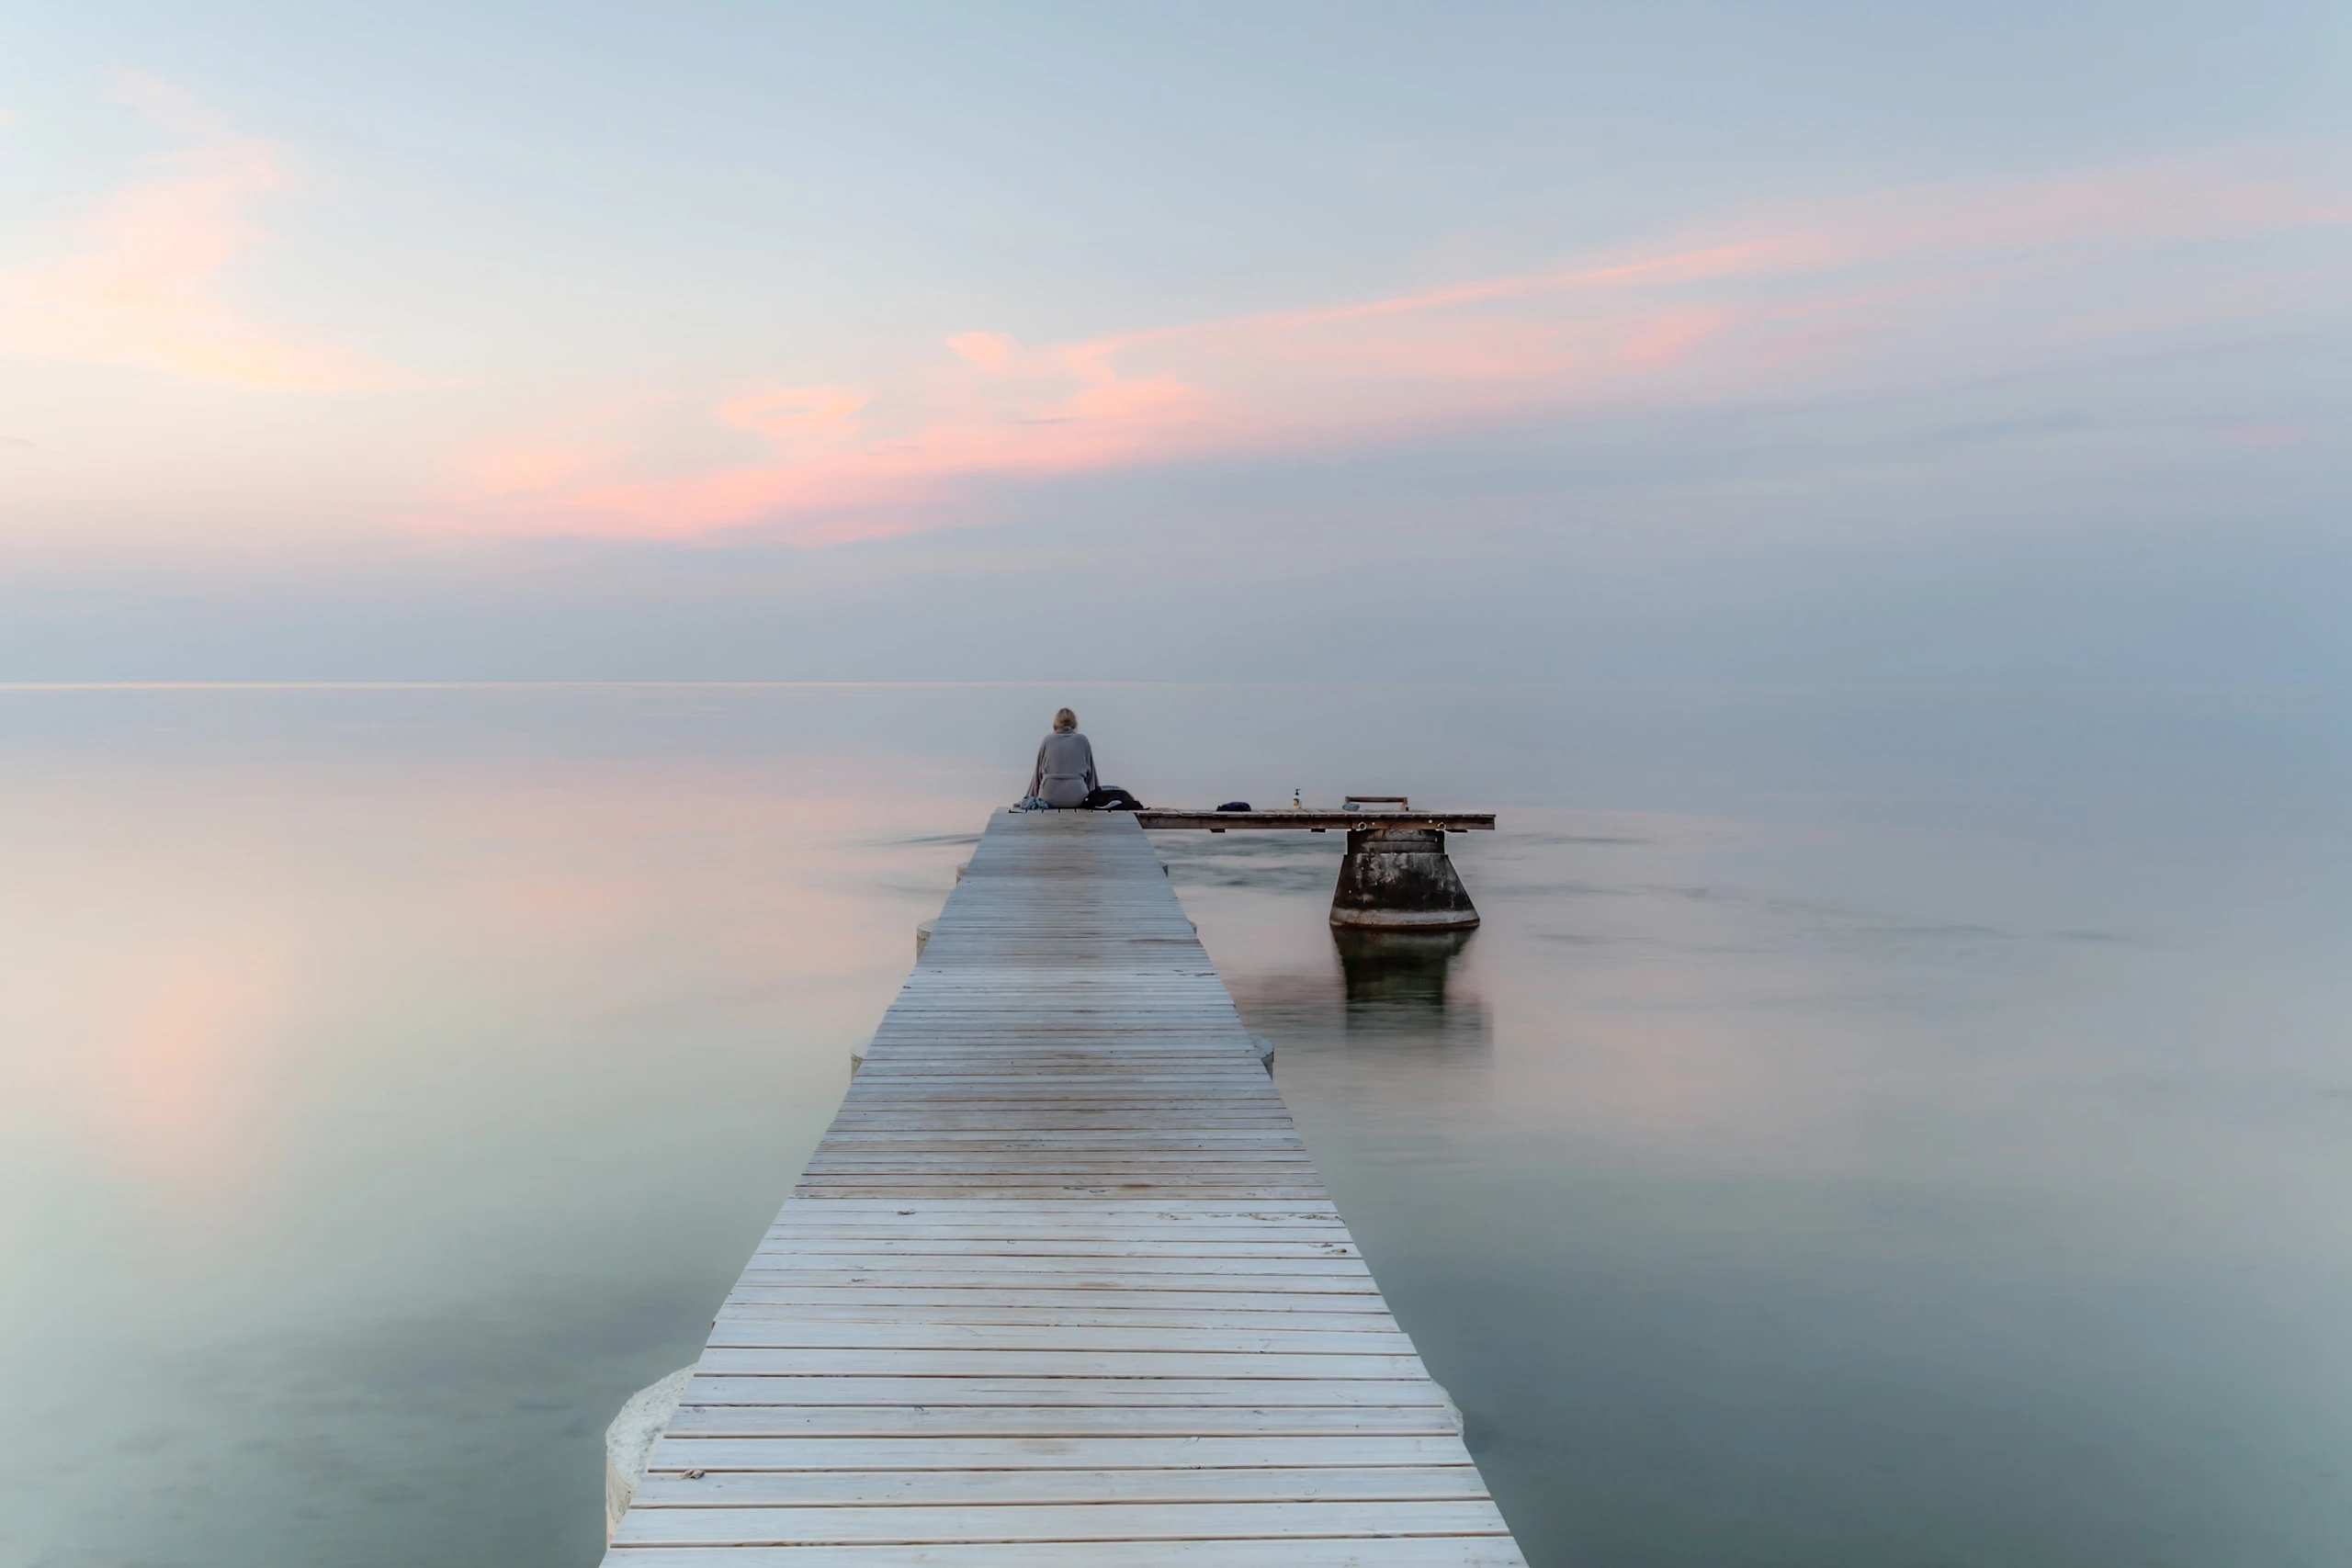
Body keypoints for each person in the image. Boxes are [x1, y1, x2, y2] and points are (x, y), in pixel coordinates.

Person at [1024, 708, 1144, 809]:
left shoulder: (1047, 740)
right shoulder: (1082, 740)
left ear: (1055, 723)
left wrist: (1033, 796)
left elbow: (1038, 775)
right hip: (1077, 798)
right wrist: (1095, 796)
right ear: (1074, 723)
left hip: (1048, 797)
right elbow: (1091, 775)